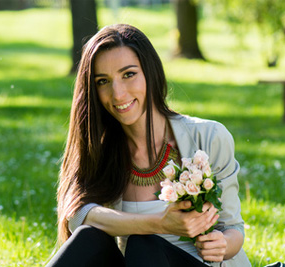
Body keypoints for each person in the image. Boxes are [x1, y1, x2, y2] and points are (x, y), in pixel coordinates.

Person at [47, 24, 251, 267]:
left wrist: (222, 244)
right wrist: (159, 223)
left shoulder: (209, 136)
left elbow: (233, 228)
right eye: (103, 81)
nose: (118, 94)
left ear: (150, 73)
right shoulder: (99, 149)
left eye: (128, 74)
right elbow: (78, 215)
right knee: (90, 237)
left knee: (143, 244)